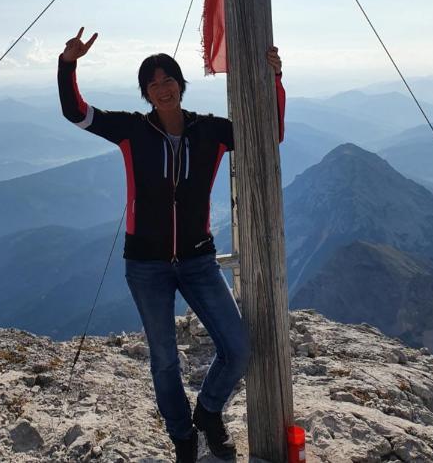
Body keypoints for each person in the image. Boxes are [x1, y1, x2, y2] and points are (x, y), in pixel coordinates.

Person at [58, 28, 285, 463]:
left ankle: (208, 412)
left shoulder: (211, 131)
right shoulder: (130, 129)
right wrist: (68, 64)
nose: (162, 89)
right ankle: (183, 438)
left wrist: (275, 79)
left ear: (181, 84)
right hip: (145, 265)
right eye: (153, 83)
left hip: (198, 258)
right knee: (164, 360)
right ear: (146, 92)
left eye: (168, 81)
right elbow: (77, 113)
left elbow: (268, 135)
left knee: (237, 348)